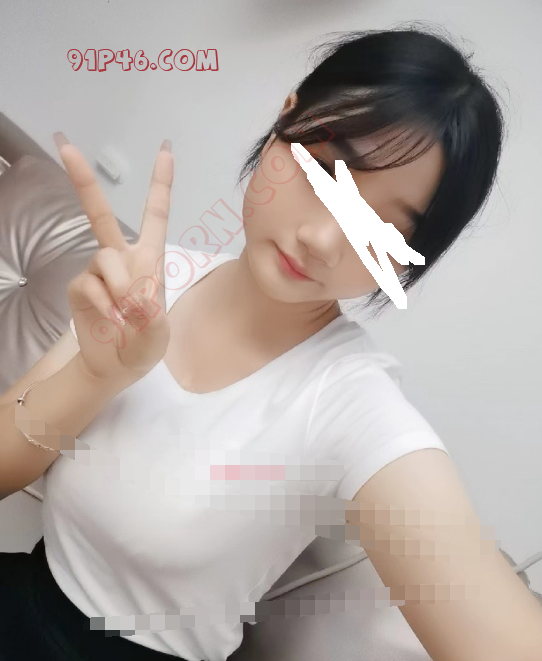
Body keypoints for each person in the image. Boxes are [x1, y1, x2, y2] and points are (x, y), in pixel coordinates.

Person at [1, 25, 541, 661]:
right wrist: (93, 377)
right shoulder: (156, 280)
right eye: (325, 171)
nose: (322, 238)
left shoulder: (352, 405)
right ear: (289, 116)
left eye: (381, 231)